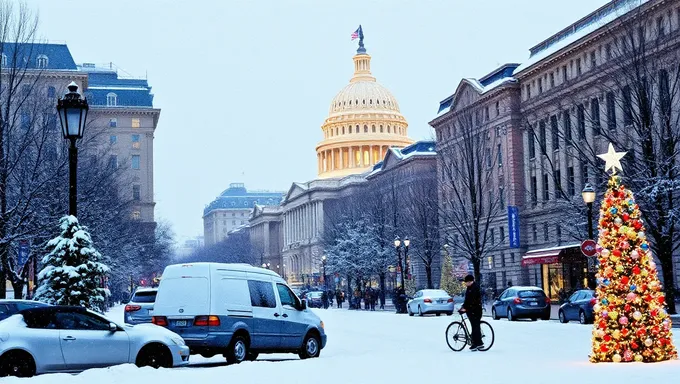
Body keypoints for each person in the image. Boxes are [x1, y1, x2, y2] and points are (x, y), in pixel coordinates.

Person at [459, 274, 483, 351]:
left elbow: (471, 300)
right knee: (476, 326)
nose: (465, 283)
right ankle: (478, 343)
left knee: (475, 326)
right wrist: (464, 307)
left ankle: (476, 344)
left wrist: (465, 308)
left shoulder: (473, 289)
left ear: (470, 281)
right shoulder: (471, 288)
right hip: (474, 310)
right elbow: (468, 300)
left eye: (466, 282)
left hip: (474, 310)